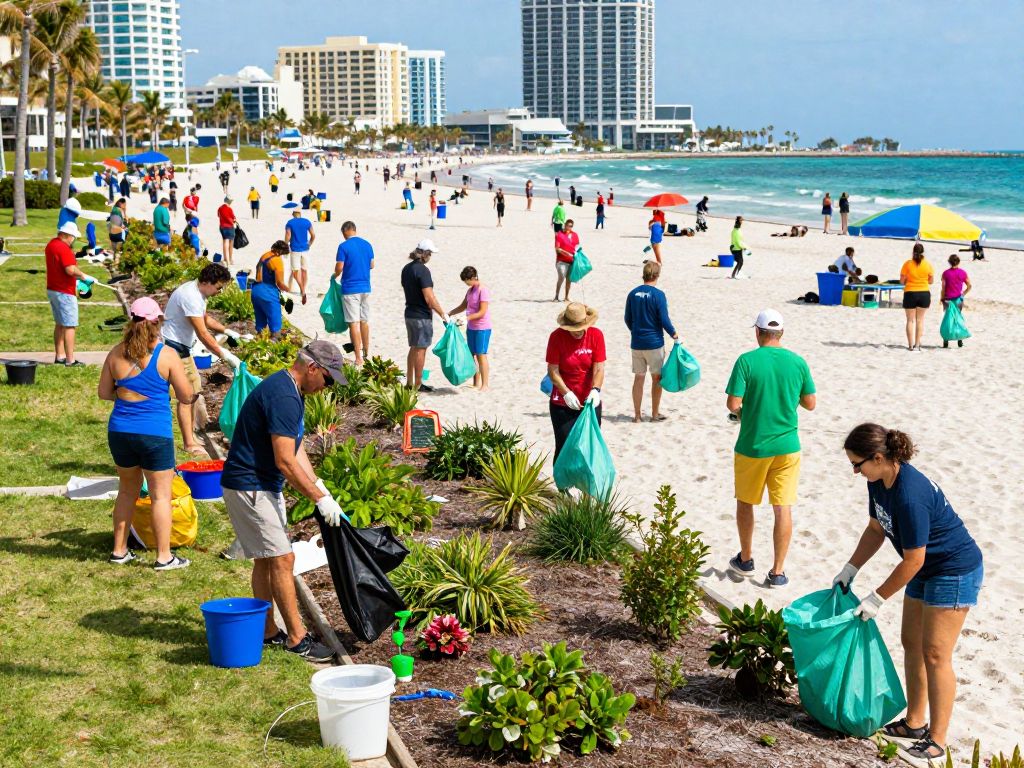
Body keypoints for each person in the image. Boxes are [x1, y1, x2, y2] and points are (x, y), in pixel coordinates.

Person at [833, 424, 982, 763]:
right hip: (923, 566)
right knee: (911, 642)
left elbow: (914, 559)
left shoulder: (909, 495)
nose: (856, 472)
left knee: (935, 653)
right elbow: (876, 529)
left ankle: (937, 739)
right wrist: (850, 569)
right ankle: (915, 723)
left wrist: (877, 597)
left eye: (858, 465)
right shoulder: (878, 483)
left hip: (953, 570)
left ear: (880, 458)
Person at [220, 341, 347, 662]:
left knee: (266, 558)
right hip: (251, 485)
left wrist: (320, 486)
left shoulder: (289, 389)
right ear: (312, 368)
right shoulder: (285, 397)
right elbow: (285, 461)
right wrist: (319, 499)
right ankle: (296, 638)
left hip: (257, 484)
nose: (327, 387)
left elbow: (295, 448)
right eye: (328, 379)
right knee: (282, 559)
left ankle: (267, 631)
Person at [100, 297, 195, 571]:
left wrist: (127, 392)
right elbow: (186, 395)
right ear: (157, 322)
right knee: (160, 496)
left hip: (120, 430)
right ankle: (164, 556)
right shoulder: (166, 355)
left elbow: (104, 393)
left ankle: (119, 550)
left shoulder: (115, 353)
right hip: (155, 433)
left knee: (127, 490)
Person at [725, 309, 816, 588]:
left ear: (757, 332)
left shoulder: (746, 361)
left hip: (753, 445)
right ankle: (777, 572)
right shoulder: (798, 362)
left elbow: (732, 403)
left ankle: (747, 559)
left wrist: (744, 413)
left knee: (746, 502)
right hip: (788, 446)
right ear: (782, 334)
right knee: (782, 507)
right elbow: (810, 403)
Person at [162, 264, 239, 453]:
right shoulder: (191, 296)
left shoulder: (198, 293)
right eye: (219, 287)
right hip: (174, 347)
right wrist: (225, 355)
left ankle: (191, 437)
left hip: (180, 346)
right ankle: (189, 443)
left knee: (193, 392)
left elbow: (204, 319)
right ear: (207, 282)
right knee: (187, 395)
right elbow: (203, 333)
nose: (219, 292)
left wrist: (226, 331)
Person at [546, 302, 605, 461]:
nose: (578, 332)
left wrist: (596, 390)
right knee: (564, 446)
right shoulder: (556, 337)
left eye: (580, 328)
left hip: (589, 401)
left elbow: (599, 369)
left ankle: (586, 484)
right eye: (574, 329)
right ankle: (562, 485)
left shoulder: (596, 335)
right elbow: (553, 371)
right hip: (563, 401)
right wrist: (566, 393)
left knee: (589, 446)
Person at [624, 261, 678, 423]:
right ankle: (654, 414)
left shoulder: (632, 294)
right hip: (654, 343)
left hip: (637, 342)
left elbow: (628, 318)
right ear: (657, 275)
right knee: (656, 378)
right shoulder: (658, 295)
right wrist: (674, 334)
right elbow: (664, 319)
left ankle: (637, 415)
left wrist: (635, 331)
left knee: (639, 378)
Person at [401, 239, 448, 392]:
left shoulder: (406, 268)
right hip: (421, 315)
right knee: (421, 349)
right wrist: (442, 314)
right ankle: (418, 384)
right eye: (430, 253)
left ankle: (409, 382)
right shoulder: (423, 270)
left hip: (409, 313)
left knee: (413, 347)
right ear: (426, 254)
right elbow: (429, 297)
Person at [46, 222, 94, 366]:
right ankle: (70, 360)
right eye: (73, 237)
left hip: (52, 289)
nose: (73, 240)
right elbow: (70, 270)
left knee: (60, 323)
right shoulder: (64, 248)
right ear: (67, 235)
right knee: (70, 325)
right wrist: (84, 276)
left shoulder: (51, 244)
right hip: (64, 292)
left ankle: (59, 356)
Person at [334, 221, 375, 365]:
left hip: (350, 288)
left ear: (344, 232)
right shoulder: (367, 244)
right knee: (364, 321)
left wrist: (334, 275)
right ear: (355, 230)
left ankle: (358, 358)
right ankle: (366, 352)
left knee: (354, 323)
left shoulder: (343, 246)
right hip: (365, 287)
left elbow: (340, 267)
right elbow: (372, 265)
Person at [449, 266, 491, 390]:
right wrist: (450, 313)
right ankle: (476, 383)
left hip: (482, 328)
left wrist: (467, 318)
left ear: (473, 278)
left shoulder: (483, 290)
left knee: (481, 354)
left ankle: (485, 385)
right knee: (471, 354)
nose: (466, 283)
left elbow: (482, 311)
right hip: (471, 327)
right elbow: (463, 306)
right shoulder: (470, 290)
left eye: (467, 281)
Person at [252, 241, 291, 335]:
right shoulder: (277, 260)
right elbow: (280, 283)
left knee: (260, 323)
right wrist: (288, 290)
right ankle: (275, 340)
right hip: (267, 291)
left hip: (255, 290)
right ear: (281, 252)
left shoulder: (265, 255)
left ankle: (259, 340)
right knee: (275, 322)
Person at [900, 243, 934, 351]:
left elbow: (902, 281)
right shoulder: (927, 264)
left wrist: (908, 280)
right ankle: (917, 344)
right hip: (924, 292)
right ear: (923, 252)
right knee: (920, 320)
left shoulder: (907, 264)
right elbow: (931, 281)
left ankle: (910, 346)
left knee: (910, 320)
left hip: (910, 292)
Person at [940, 255, 971, 349]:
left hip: (948, 299)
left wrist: (941, 298)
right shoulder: (962, 273)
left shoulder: (945, 273)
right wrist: (963, 294)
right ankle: (959, 341)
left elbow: (943, 288)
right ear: (958, 262)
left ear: (949, 262)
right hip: (958, 299)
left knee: (948, 319)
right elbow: (969, 285)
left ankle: (946, 340)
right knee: (957, 319)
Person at [284, 210, 315, 304]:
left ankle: (302, 290)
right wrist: (309, 244)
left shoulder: (290, 223)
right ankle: (303, 290)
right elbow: (313, 235)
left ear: (293, 214)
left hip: (295, 250)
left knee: (295, 272)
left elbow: (288, 236)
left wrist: (286, 245)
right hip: (305, 250)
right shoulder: (307, 222)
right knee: (304, 271)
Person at [554, 218, 579, 302]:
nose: (569, 228)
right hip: (561, 261)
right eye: (568, 226)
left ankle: (566, 297)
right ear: (565, 225)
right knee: (561, 277)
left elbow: (577, 247)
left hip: (571, 261)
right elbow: (557, 248)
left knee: (569, 279)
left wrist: (577, 254)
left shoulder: (575, 235)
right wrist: (565, 253)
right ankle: (556, 296)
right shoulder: (559, 235)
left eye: (571, 226)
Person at [217, 196, 237, 267]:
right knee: (231, 244)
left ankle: (226, 259)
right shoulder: (229, 209)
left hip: (222, 227)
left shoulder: (220, 208)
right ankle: (230, 259)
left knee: (225, 242)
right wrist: (234, 221)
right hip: (229, 227)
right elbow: (233, 218)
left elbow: (218, 215)